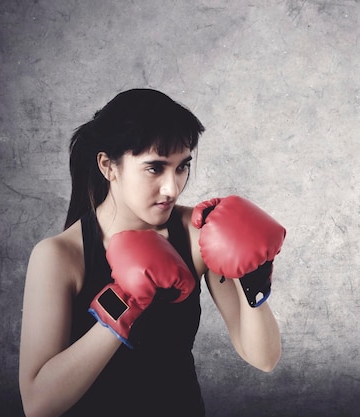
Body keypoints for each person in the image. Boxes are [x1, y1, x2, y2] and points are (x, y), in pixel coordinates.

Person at [18, 88, 285, 417]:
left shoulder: (197, 233)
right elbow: (37, 404)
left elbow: (264, 358)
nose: (172, 188)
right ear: (108, 166)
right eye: (155, 168)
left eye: (182, 167)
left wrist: (252, 276)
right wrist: (122, 303)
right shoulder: (60, 256)